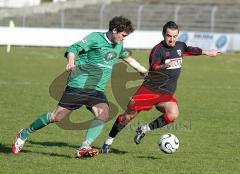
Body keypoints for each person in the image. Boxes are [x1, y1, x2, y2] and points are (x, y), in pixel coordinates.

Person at [11, 16, 148, 158]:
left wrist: (142, 69)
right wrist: (71, 61)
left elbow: (126, 56)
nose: (124, 39)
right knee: (56, 117)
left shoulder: (118, 44)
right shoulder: (95, 38)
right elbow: (74, 48)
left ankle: (84, 147)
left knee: (103, 114)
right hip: (79, 84)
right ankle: (24, 133)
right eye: (123, 35)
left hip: (96, 89)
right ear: (114, 30)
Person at [102, 21, 221, 153]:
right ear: (164, 34)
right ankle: (108, 141)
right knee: (128, 117)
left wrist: (207, 52)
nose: (172, 39)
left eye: (175, 36)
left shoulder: (180, 46)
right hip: (149, 90)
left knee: (173, 114)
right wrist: (161, 67)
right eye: (169, 36)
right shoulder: (158, 50)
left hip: (166, 93)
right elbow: (153, 67)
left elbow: (190, 50)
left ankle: (143, 129)